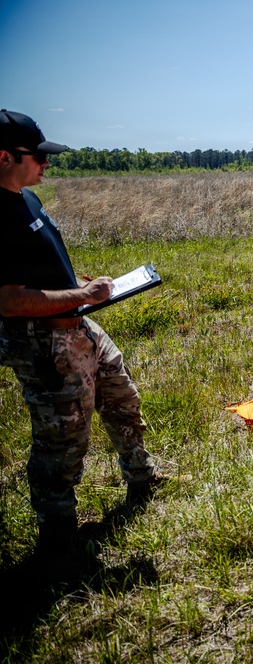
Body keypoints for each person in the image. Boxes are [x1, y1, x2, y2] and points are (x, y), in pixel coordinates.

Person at [0, 109, 162, 555]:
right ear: (3, 156)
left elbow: (43, 270)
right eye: (37, 156)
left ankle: (142, 476)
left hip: (79, 326)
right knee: (62, 439)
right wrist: (78, 295)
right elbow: (9, 300)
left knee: (122, 398)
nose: (46, 164)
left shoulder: (27, 198)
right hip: (44, 344)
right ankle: (59, 538)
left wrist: (85, 289)